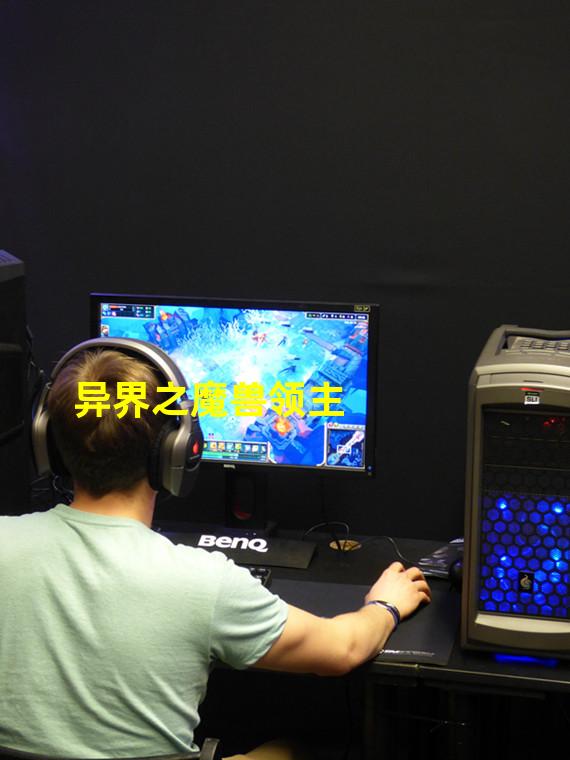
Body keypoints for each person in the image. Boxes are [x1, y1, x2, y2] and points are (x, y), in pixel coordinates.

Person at [0, 346, 431, 759]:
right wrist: (385, 606)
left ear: (48, 442)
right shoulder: (203, 582)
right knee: (298, 749)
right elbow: (343, 650)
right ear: (177, 449)